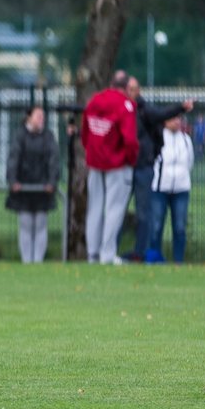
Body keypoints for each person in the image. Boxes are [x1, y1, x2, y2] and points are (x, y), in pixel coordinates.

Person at [122, 77, 192, 261]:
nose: (131, 92)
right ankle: (110, 251)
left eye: (135, 88)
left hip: (149, 171)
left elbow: (189, 161)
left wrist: (181, 107)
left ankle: (144, 254)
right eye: (128, 88)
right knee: (119, 212)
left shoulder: (146, 111)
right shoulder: (118, 110)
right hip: (125, 168)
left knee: (148, 216)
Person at [81, 70, 138, 264]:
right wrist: (131, 158)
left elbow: (85, 131)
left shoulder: (95, 100)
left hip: (95, 162)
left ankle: (92, 253)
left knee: (94, 208)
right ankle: (107, 253)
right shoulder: (125, 104)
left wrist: (90, 151)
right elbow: (130, 139)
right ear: (125, 87)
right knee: (114, 209)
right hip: (118, 164)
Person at [6, 106, 60, 264]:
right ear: (28, 117)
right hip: (24, 188)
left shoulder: (48, 136)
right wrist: (13, 180)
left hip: (43, 188)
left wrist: (51, 181)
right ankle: (26, 261)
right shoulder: (20, 136)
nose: (41, 119)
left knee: (41, 224)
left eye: (42, 116)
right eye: (38, 116)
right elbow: (13, 158)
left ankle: (38, 261)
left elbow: (54, 160)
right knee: (26, 224)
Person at [149, 115, 193, 263]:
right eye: (173, 119)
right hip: (160, 189)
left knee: (180, 227)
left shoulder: (186, 140)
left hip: (181, 190)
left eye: (178, 119)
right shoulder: (158, 138)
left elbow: (189, 162)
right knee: (156, 226)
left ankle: (178, 261)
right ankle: (155, 259)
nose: (176, 121)